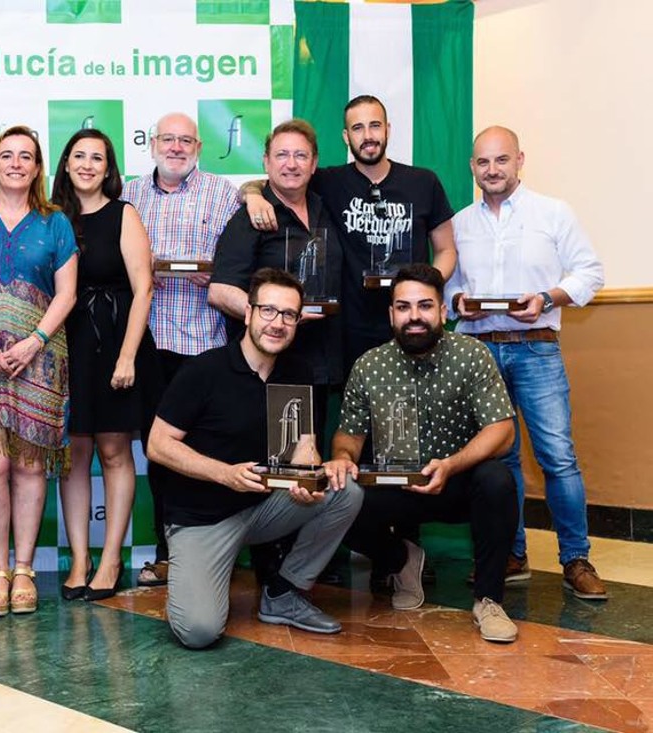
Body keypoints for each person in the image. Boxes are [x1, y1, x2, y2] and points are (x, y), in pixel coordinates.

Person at [146, 268, 362, 649]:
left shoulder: (298, 372)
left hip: (265, 508)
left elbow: (302, 450)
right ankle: (195, 577)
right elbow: (158, 445)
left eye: (288, 315)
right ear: (247, 313)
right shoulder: (204, 370)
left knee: (346, 491)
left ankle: (283, 592)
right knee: (199, 632)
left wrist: (308, 481)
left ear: (297, 322)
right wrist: (223, 474)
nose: (277, 323)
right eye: (268, 311)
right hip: (203, 519)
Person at [446, 126, 607, 599]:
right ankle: (512, 554)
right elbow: (450, 287)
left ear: (520, 160)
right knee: (503, 459)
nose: (491, 170)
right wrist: (459, 304)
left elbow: (590, 273)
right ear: (472, 168)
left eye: (500, 160)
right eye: (482, 162)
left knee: (558, 458)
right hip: (479, 353)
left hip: (537, 349)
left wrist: (547, 297)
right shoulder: (459, 224)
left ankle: (576, 559)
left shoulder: (553, 213)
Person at [326, 264, 521, 643]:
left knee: (498, 479)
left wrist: (451, 465)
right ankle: (402, 561)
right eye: (403, 307)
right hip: (394, 487)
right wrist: (343, 458)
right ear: (391, 314)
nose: (414, 316)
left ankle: (489, 600)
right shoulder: (369, 366)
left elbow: (503, 432)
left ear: (443, 312)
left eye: (425, 306)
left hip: (458, 482)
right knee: (337, 495)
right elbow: (348, 437)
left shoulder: (472, 355)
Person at [0, 126, 78, 616]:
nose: (17, 164)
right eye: (7, 155)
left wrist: (35, 341)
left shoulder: (55, 222)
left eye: (27, 156)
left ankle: (24, 569)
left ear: (38, 167)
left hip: (40, 356)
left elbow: (67, 292)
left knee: (28, 463)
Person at [244, 96, 457, 369]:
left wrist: (421, 289)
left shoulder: (424, 182)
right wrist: (253, 196)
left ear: (388, 130)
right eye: (358, 128)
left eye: (375, 126)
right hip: (350, 329)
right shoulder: (328, 181)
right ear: (346, 136)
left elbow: (446, 249)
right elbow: (277, 179)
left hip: (411, 324)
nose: (368, 136)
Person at [121, 112, 240, 588]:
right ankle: (166, 553)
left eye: (185, 140)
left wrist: (221, 273)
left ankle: (211, 553)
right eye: (167, 139)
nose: (176, 147)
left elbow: (240, 260)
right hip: (148, 341)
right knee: (160, 454)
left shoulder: (225, 194)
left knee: (205, 451)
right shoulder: (129, 194)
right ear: (151, 144)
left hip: (206, 342)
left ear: (199, 146)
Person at [51, 129, 154, 601]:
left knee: (114, 451)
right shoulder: (51, 219)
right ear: (66, 164)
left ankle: (112, 558)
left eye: (98, 157)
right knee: (73, 457)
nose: (88, 164)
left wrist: (128, 354)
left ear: (108, 167)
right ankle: (78, 559)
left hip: (115, 343)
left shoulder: (123, 213)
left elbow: (144, 287)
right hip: (64, 345)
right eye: (79, 156)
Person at [210, 118, 344, 439]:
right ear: (266, 162)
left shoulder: (327, 204)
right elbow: (219, 291)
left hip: (321, 362)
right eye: (282, 155)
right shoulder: (251, 217)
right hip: (267, 365)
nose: (291, 164)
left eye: (301, 156)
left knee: (307, 458)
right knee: (273, 457)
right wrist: (278, 318)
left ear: (314, 164)